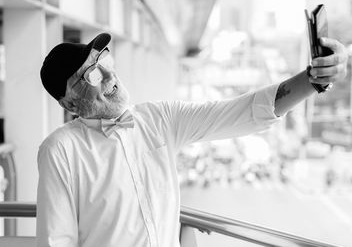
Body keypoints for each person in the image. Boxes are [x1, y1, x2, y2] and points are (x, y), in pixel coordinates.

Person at [37, 33, 348, 247]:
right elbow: (57, 240)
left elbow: (240, 113)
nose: (108, 76)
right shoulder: (60, 149)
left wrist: (312, 80)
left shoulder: (159, 119)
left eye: (104, 60)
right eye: (91, 74)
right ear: (70, 104)